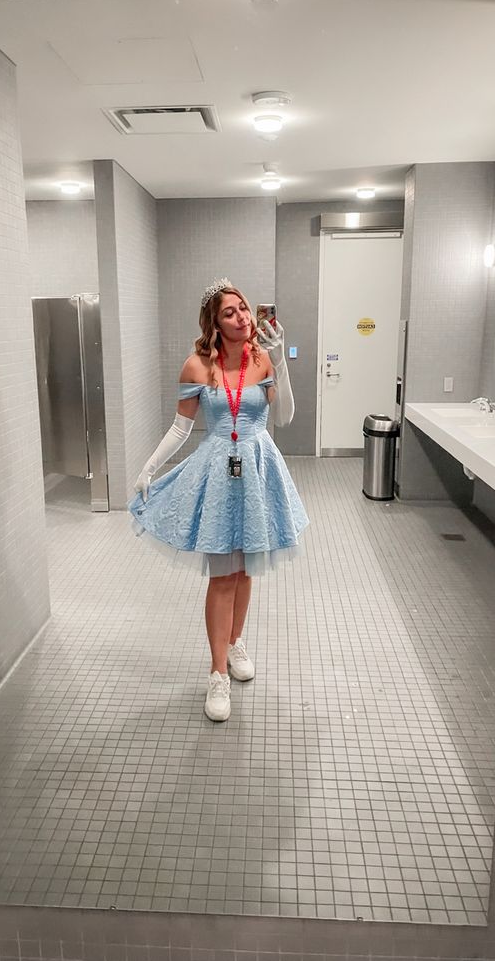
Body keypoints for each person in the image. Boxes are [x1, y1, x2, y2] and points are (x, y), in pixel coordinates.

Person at [128, 279, 309, 722]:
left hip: (258, 465)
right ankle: (216, 673)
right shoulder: (196, 366)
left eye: (244, 308)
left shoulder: (263, 358)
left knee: (245, 568)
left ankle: (234, 643)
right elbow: (180, 429)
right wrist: (148, 468)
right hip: (217, 469)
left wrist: (281, 360)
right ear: (214, 321)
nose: (242, 317)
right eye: (230, 312)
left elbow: (282, 416)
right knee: (222, 574)